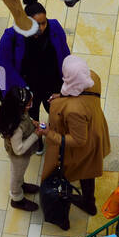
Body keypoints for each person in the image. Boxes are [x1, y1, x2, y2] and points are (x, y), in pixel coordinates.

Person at [35, 56, 111, 221]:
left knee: (85, 171)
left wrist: (49, 133)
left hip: (86, 145)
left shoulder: (74, 110)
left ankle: (88, 203)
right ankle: (88, 201)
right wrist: (61, 96)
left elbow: (78, 141)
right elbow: (78, 92)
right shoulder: (93, 78)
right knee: (87, 172)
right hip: (96, 128)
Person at [0, 0, 70, 151]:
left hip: (53, 83)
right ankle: (38, 143)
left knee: (57, 114)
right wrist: (22, 92)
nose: (41, 28)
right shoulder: (11, 37)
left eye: (43, 23)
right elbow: (5, 66)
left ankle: (56, 139)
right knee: (31, 118)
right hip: (28, 88)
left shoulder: (55, 27)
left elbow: (65, 55)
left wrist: (68, 83)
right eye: (36, 25)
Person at [0, 88, 41, 212]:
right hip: (19, 157)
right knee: (16, 175)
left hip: (22, 150)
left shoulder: (12, 112)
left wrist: (32, 122)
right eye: (29, 104)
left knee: (19, 174)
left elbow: (25, 117)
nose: (31, 106)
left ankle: (22, 184)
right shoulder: (16, 128)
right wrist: (36, 135)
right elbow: (19, 150)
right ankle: (17, 198)